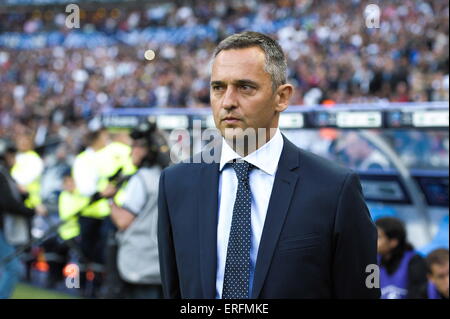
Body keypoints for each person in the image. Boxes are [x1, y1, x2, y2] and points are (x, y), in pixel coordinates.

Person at [157, 31, 380, 299]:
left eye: (245, 87)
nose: (227, 101)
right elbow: (174, 290)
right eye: (218, 87)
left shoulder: (334, 188)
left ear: (282, 97)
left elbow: (361, 292)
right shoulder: (176, 183)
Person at [110, 121, 169, 298]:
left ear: (147, 150)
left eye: (135, 147)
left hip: (140, 262)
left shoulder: (141, 178)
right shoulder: (168, 175)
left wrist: (110, 200)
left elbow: (123, 221)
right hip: (162, 261)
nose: (131, 152)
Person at [0, 139, 46, 298]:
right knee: (13, 268)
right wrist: (32, 210)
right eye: (12, 157)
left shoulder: (7, 176)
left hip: (5, 227)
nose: (14, 161)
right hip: (2, 228)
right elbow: (8, 203)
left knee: (11, 267)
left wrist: (23, 196)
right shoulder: (2, 175)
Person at [376, 217, 428, 299]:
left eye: (378, 237)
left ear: (393, 242)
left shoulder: (415, 262)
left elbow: (419, 294)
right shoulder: (373, 262)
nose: (373, 240)